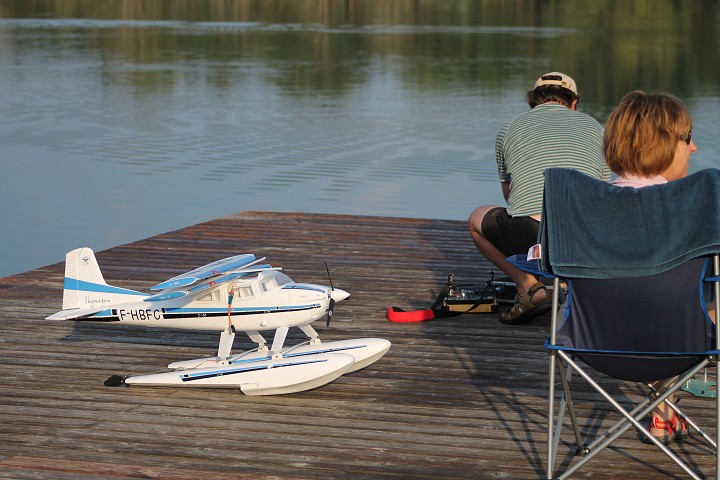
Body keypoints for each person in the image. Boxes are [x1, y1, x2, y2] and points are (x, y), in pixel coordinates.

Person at [468, 72, 610, 325]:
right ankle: (568, 285)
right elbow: (604, 192)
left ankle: (529, 288)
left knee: (477, 219)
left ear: (533, 102)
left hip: (531, 233)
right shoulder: (596, 128)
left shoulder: (508, 128)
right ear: (574, 102)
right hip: (583, 239)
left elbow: (510, 196)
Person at [603, 90, 697, 445]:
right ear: (662, 144)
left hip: (593, 340)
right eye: (687, 139)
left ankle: (663, 415)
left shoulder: (583, 207)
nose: (693, 148)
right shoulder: (687, 208)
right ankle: (663, 411)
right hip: (678, 342)